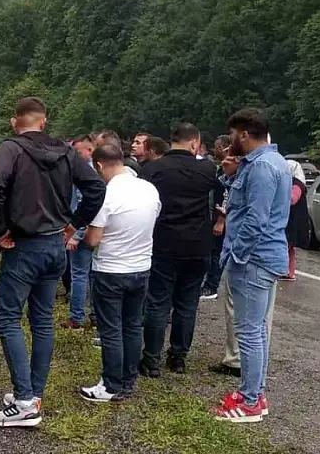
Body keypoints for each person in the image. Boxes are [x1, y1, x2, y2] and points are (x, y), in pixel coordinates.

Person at [0, 97, 105, 427]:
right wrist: (75, 222)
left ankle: (24, 402)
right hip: (55, 245)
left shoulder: (11, 148)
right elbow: (95, 186)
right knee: (42, 319)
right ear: (44, 121)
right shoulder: (66, 151)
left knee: (7, 318)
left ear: (14, 122)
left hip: (24, 245)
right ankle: (33, 393)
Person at [209, 108, 290, 423]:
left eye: (232, 134)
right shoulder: (267, 163)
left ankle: (251, 402)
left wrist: (237, 255)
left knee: (249, 331)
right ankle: (253, 393)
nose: (229, 140)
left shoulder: (261, 169)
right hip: (263, 257)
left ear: (243, 133)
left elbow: (255, 220)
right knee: (256, 332)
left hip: (254, 260)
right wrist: (231, 175)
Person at [79, 143, 161, 402]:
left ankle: (111, 385)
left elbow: (93, 239)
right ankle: (128, 379)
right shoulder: (149, 189)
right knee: (133, 326)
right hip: (141, 267)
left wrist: (80, 240)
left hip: (111, 270)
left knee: (111, 329)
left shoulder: (107, 194)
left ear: (100, 165)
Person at [139, 123, 222, 376]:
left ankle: (151, 359)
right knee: (187, 303)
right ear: (194, 142)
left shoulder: (152, 169)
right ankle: (178, 357)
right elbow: (219, 197)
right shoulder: (207, 169)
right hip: (197, 244)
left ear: (171, 140)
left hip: (164, 241)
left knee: (158, 302)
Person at [62, 135, 97, 327]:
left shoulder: (84, 173)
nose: (75, 155)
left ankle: (76, 317)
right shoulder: (97, 170)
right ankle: (94, 314)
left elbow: (83, 204)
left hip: (81, 230)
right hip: (94, 230)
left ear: (89, 150)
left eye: (78, 151)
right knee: (91, 274)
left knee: (79, 274)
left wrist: (76, 233)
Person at [201, 135, 231, 300]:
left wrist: (221, 221)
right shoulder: (220, 167)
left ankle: (211, 286)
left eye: (217, 146)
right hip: (214, 215)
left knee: (216, 254)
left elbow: (226, 195)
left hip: (221, 218)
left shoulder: (229, 167)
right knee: (212, 251)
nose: (215, 149)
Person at [284, 160, 311, 281]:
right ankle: (289, 271)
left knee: (286, 246)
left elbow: (292, 199)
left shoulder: (296, 184)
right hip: (294, 220)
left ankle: (285, 270)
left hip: (293, 221)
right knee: (290, 248)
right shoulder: (297, 183)